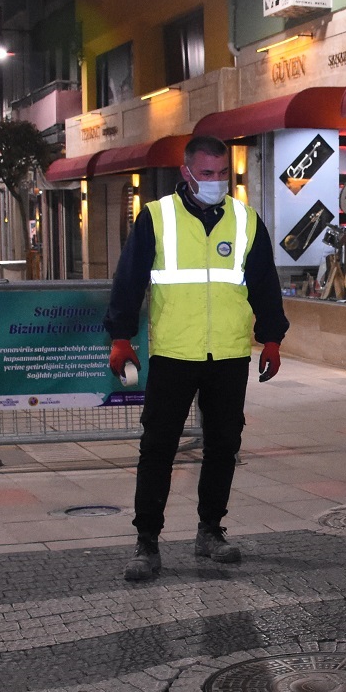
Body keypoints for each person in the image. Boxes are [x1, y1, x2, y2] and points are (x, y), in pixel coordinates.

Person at [106, 135, 289, 581]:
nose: (216, 181)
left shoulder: (245, 219)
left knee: (224, 446)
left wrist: (271, 338)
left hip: (227, 353)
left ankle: (210, 531)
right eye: (206, 174)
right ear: (186, 172)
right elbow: (129, 279)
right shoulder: (157, 217)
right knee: (158, 448)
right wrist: (121, 336)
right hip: (174, 351)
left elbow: (264, 283)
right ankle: (146, 542)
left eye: (222, 173)